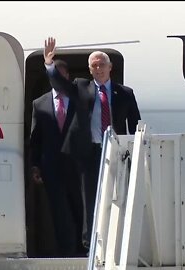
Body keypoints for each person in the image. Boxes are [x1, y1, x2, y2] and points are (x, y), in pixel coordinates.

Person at [43, 37, 142, 250]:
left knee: (118, 195)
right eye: (94, 66)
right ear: (90, 69)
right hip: (88, 153)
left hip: (116, 151)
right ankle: (90, 245)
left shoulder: (125, 93)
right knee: (90, 199)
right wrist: (49, 64)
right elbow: (59, 84)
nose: (98, 69)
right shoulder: (80, 87)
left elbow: (134, 123)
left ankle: (117, 241)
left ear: (110, 67)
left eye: (102, 65)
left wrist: (136, 150)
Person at [29, 59, 85, 257]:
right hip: (51, 166)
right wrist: (35, 166)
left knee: (79, 208)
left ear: (68, 77)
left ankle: (81, 247)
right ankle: (66, 251)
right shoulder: (39, 103)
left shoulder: (79, 96)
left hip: (77, 165)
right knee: (59, 211)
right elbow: (36, 139)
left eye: (62, 76)